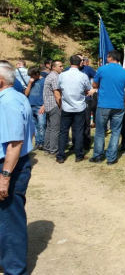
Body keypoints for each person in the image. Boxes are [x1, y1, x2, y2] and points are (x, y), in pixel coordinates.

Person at [0, 61, 35, 275]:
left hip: (9, 166)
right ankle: (6, 261)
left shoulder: (7, 102)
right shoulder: (17, 97)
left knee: (10, 219)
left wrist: (5, 176)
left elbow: (15, 143)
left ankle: (15, 270)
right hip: (14, 164)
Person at [90, 50, 125, 165]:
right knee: (115, 132)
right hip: (118, 106)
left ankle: (97, 156)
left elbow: (94, 85)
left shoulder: (102, 69)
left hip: (103, 105)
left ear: (110, 58)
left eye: (107, 57)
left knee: (100, 131)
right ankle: (111, 158)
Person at [56, 55, 91, 163]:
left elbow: (58, 89)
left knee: (63, 132)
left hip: (66, 107)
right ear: (80, 63)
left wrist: (60, 103)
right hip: (79, 107)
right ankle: (79, 155)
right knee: (79, 131)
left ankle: (61, 155)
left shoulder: (62, 75)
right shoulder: (83, 76)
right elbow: (88, 90)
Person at [42, 60, 64, 156]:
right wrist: (61, 106)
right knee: (55, 129)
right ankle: (54, 150)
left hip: (48, 105)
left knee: (49, 128)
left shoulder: (49, 76)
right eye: (60, 66)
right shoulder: (55, 77)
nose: (62, 68)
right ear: (54, 67)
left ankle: (47, 148)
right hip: (54, 105)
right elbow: (56, 93)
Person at [24, 67, 46, 150]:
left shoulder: (44, 81)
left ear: (37, 74)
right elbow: (26, 94)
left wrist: (44, 105)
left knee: (42, 125)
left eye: (32, 76)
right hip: (31, 105)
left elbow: (47, 94)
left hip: (40, 106)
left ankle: (42, 142)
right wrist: (29, 84)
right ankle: (37, 143)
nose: (31, 78)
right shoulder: (31, 81)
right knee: (35, 126)